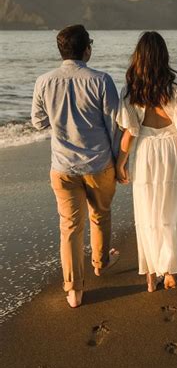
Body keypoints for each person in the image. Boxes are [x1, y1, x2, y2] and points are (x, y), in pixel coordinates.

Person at [31, 25, 120, 308]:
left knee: (70, 227)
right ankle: (100, 263)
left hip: (63, 166)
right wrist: (119, 161)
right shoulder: (101, 80)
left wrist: (61, 122)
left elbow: (38, 122)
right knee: (100, 215)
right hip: (98, 164)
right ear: (87, 49)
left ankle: (73, 290)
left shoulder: (43, 81)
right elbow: (114, 124)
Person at [115, 31, 177, 292]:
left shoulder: (131, 89)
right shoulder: (176, 88)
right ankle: (169, 270)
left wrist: (121, 163)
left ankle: (151, 272)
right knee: (173, 211)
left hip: (146, 153)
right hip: (172, 152)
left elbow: (130, 133)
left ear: (138, 58)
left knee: (149, 214)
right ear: (163, 56)